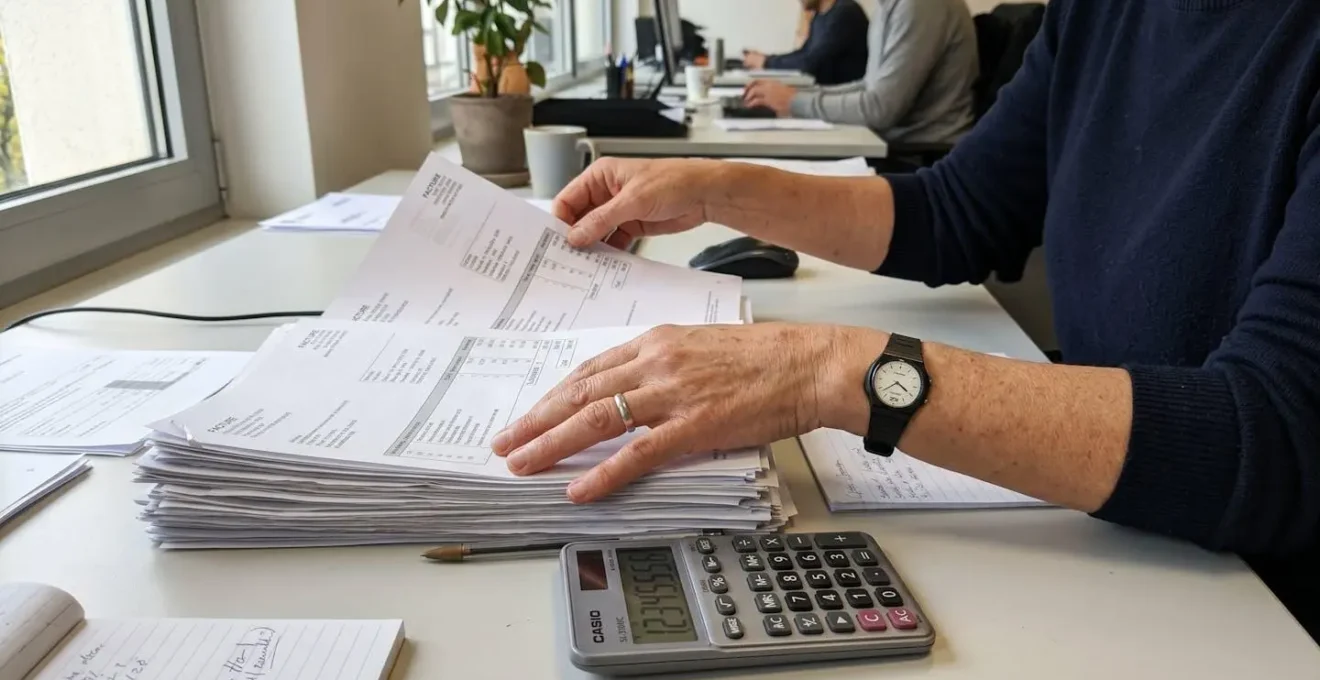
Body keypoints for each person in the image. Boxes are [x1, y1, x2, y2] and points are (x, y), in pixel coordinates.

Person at [491, 0, 1320, 642]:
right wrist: (716, 187)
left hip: (1252, 601)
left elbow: (1277, 436)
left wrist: (827, 371)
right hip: (1122, 546)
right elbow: (960, 211)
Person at [745, 0, 979, 146]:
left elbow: (881, 109)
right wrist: (797, 95)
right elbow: (868, 86)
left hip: (921, 157)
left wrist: (794, 102)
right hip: (892, 144)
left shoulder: (921, 5)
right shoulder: (887, 7)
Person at [742, 0, 869, 87]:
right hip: (826, 99)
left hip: (843, 107)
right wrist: (766, 59)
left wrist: (766, 62)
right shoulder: (819, 17)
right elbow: (804, 54)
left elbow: (810, 64)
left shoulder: (846, 13)